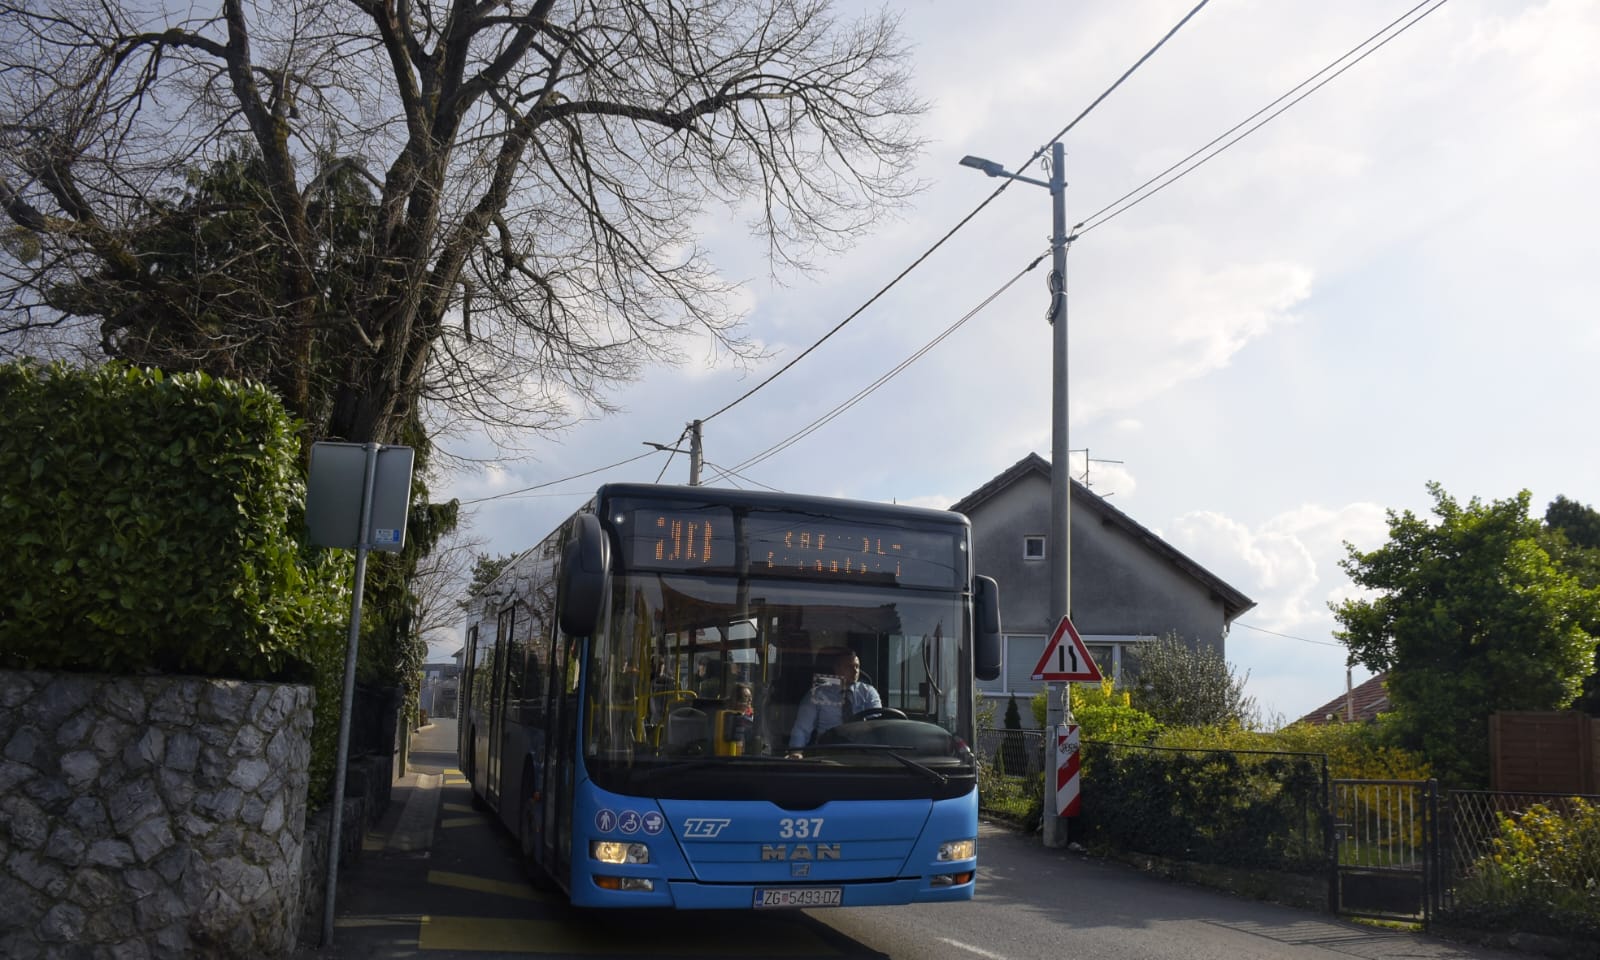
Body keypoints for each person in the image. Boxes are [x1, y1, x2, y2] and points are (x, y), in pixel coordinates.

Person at [787, 649, 880, 757]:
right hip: (828, 752)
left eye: (857, 666)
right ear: (837, 669)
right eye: (849, 667)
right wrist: (796, 752)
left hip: (862, 754)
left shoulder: (868, 693)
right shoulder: (818, 694)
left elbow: (878, 725)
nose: (855, 671)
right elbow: (802, 728)